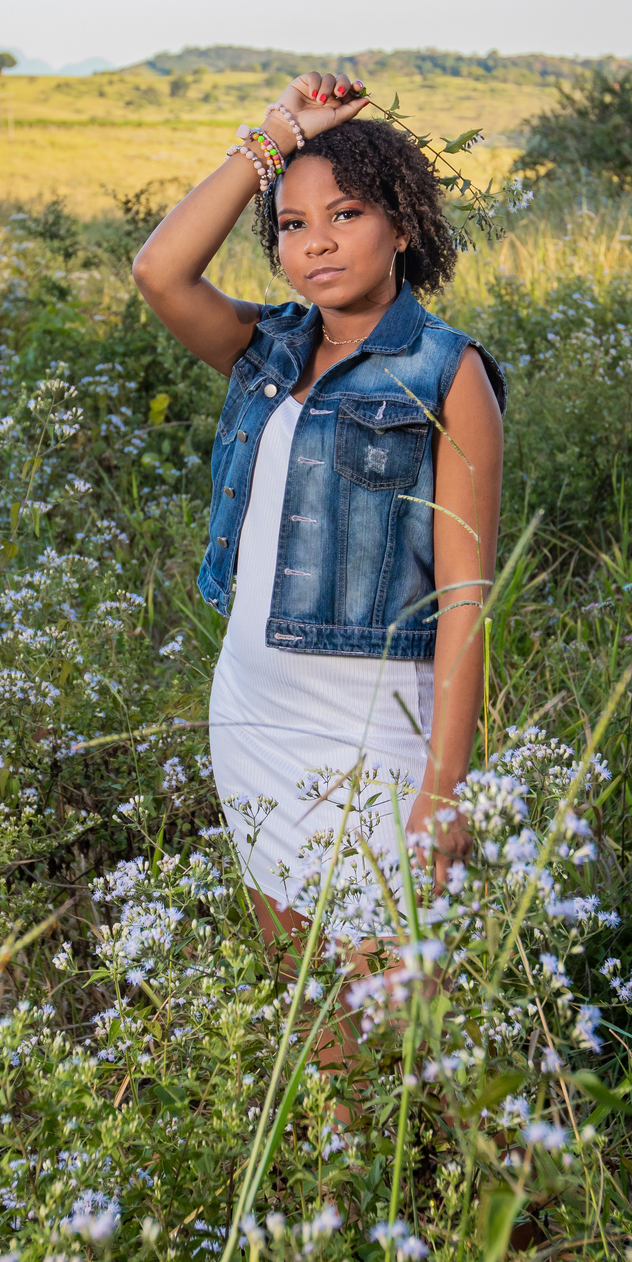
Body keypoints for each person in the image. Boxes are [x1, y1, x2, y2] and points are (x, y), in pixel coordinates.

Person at [132, 70, 504, 950]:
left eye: (346, 215)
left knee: (399, 1022)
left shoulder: (449, 374)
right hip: (254, 710)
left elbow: (464, 600)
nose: (318, 244)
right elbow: (159, 269)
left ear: (402, 226)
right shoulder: (263, 350)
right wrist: (272, 139)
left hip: (378, 726)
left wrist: (443, 788)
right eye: (294, 225)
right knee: (310, 1014)